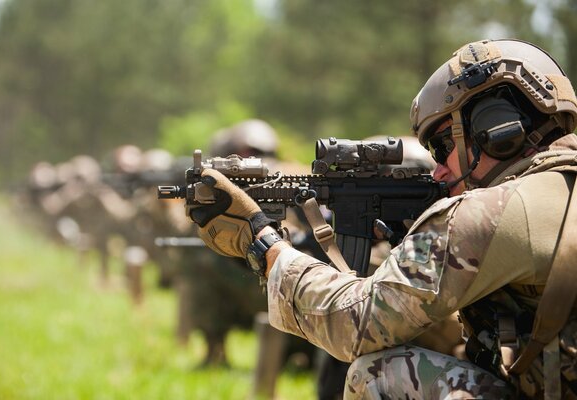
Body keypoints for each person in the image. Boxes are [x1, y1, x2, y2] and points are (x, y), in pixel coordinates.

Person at [185, 39, 577, 399]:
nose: (439, 171)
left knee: (378, 373)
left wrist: (263, 244)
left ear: (494, 130)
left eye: (443, 146)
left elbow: (355, 324)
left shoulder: (487, 214)